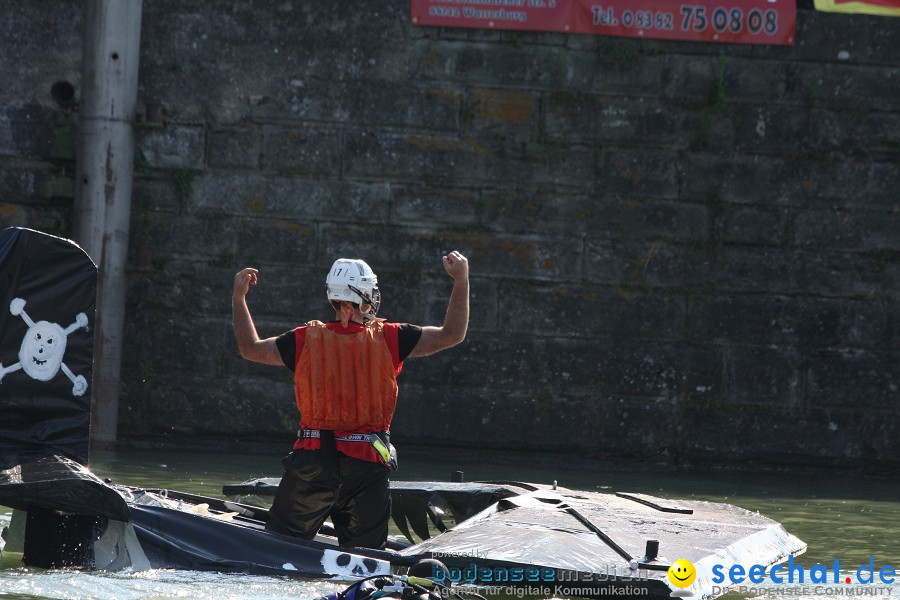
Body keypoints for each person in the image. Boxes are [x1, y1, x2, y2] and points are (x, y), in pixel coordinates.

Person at [231, 251, 469, 549]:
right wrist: (461, 280)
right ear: (367, 294)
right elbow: (452, 334)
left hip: (312, 463)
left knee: (277, 550)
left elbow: (250, 348)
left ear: (332, 297)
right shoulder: (392, 337)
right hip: (366, 467)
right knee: (365, 560)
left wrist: (239, 298)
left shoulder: (303, 339)